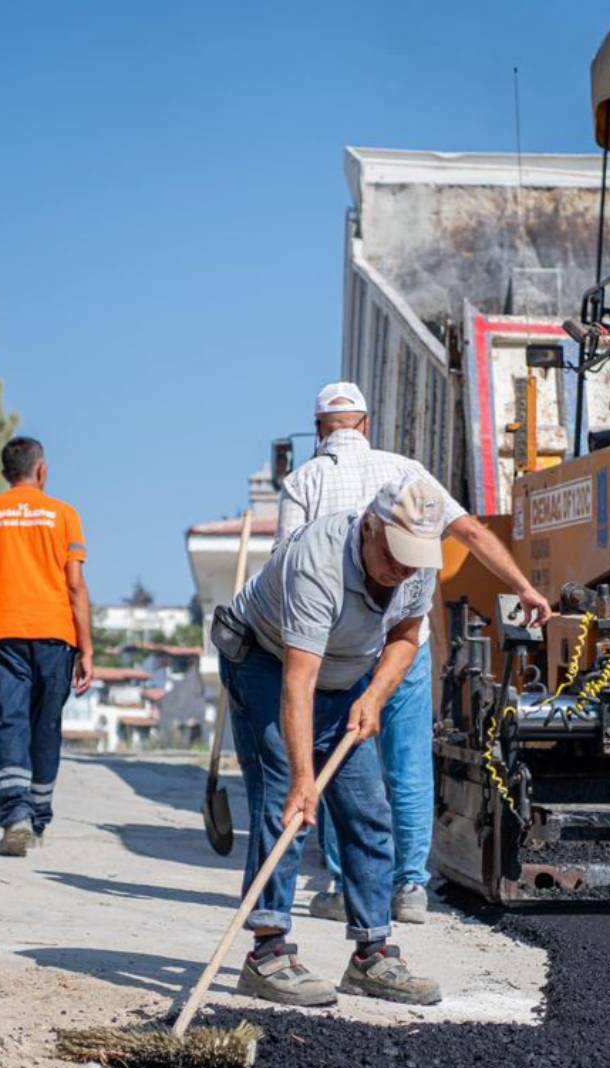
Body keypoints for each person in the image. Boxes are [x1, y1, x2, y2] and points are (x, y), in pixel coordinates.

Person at [277, 381, 551, 925]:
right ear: (366, 425)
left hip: (343, 648)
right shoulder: (405, 471)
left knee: (338, 761)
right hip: (406, 642)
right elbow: (469, 530)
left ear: (318, 431)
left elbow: (285, 563)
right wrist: (524, 586)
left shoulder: (303, 479)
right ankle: (409, 889)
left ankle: (341, 885)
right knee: (408, 767)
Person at [217, 472, 448, 1006]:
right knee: (288, 803)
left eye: (413, 559)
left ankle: (372, 954)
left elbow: (406, 638)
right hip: (267, 661)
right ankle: (268, 953)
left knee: (368, 810)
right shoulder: (318, 563)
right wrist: (304, 778)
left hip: (346, 676)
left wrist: (374, 698)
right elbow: (299, 680)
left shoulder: (416, 568)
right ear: (370, 526)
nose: (401, 570)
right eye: (394, 554)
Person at [0, 438, 93, 855]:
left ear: (5, 472)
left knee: (11, 723)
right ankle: (38, 818)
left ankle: (16, 818)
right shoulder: (64, 516)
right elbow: (75, 586)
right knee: (45, 725)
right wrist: (87, 649)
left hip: (0, 633)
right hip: (55, 635)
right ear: (40, 470)